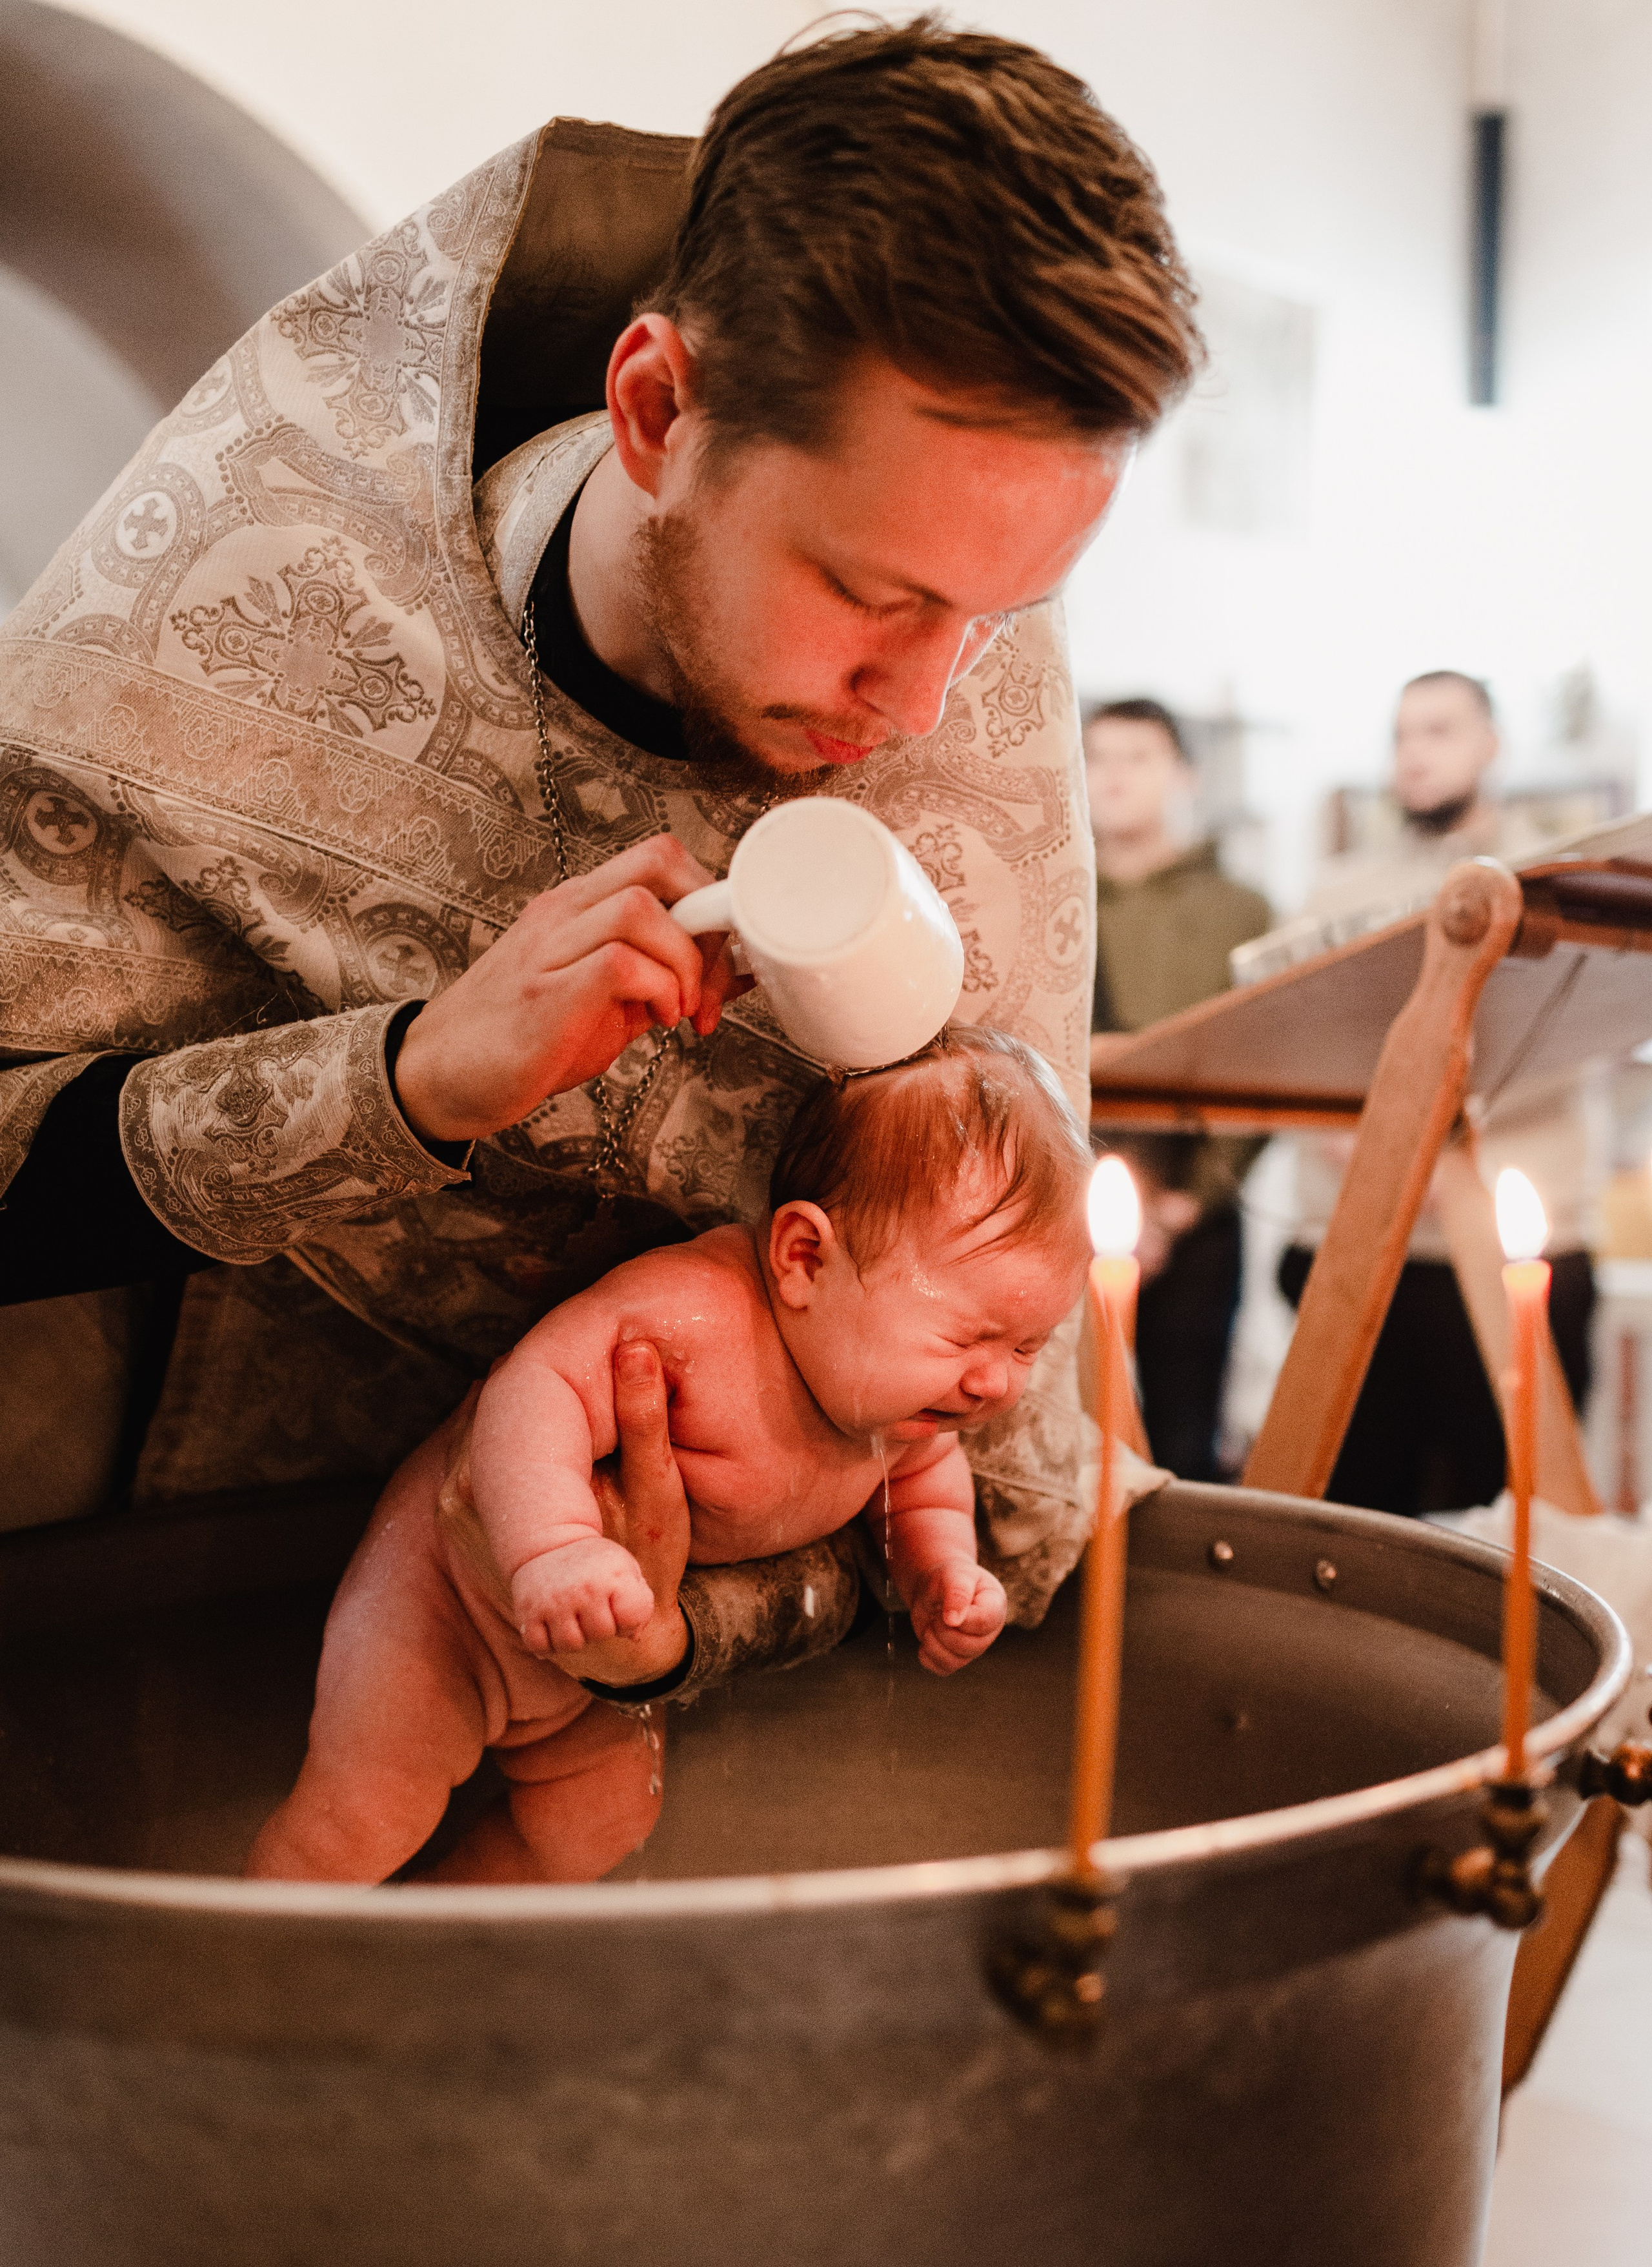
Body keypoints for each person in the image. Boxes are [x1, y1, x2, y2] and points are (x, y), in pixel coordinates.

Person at [0, 21, 1200, 1706]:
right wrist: (404, 1085)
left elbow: (998, 1474)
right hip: (230, 1621)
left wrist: (684, 1625)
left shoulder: (956, 685)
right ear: (655, 407)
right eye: (875, 592)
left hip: (720, 1690)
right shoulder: (247, 611)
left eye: (998, 615)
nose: (930, 701)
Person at [247, 1029, 1094, 1884]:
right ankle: (230, 1986)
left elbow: (923, 1494)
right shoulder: (698, 1316)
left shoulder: (903, 1416)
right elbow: (534, 1388)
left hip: (588, 1657)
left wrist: (940, 1574)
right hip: (443, 1602)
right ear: (805, 1259)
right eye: (970, 1336)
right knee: (365, 1815)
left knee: (603, 1817)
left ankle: (426, 1957)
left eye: (1028, 1347)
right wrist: (552, 1545)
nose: (994, 1382)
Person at [1277, 671, 1598, 1516]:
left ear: (1492, 746)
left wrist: (1429, 1134)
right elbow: (1297, 1033)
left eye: (1441, 731)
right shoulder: (1334, 893)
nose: (1414, 754)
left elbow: (1577, 1032)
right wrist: (1359, 1128)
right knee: (1353, 1512)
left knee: (1515, 1511)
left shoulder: (1565, 878)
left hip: (1517, 1242)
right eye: (1402, 735)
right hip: (1362, 1247)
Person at [1086, 698, 1271, 1479]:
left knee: (1185, 1444)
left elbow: (1262, 1062)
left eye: (1140, 757)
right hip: (1065, 1204)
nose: (1115, 777)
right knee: (1074, 1434)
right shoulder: (1052, 896)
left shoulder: (1242, 907)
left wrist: (1184, 1203)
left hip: (1198, 1218)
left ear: (1183, 774)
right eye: (1098, 757)